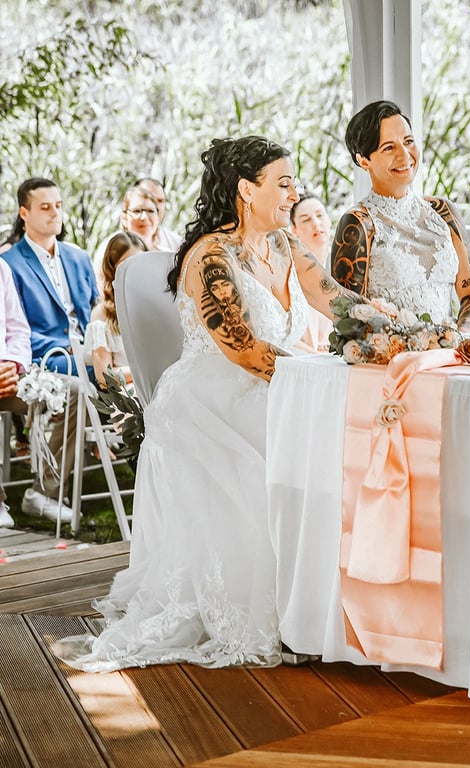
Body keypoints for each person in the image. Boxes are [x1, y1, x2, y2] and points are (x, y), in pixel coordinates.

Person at [55, 134, 362, 672]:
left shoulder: (286, 243)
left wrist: (396, 330)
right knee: (312, 445)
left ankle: (335, 608)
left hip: (283, 381)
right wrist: (320, 382)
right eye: (283, 183)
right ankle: (296, 615)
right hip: (213, 402)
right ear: (247, 189)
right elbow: (243, 350)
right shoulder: (210, 257)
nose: (295, 194)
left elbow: (336, 300)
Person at [331, 100, 470, 333]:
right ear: (364, 160)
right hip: (392, 352)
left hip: (450, 348)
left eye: (408, 141)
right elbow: (347, 318)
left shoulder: (443, 211)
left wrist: (460, 335)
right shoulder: (358, 223)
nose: (405, 155)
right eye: (389, 148)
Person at [1, 178, 99, 523]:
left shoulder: (79, 257)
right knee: (101, 379)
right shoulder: (11, 262)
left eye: (58, 205)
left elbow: (96, 311)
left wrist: (97, 346)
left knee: (103, 377)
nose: (55, 213)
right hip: (48, 359)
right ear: (24, 213)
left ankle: (47, 491)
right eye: (45, 207)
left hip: (84, 354)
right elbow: (25, 331)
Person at [84, 231, 146, 388]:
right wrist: (146, 371)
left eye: (139, 262)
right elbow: (104, 376)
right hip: (127, 390)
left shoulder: (155, 306)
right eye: (125, 264)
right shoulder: (102, 314)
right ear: (112, 270)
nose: (133, 270)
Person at [0, 258, 32, 528]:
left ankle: (46, 494)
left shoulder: (1, 268)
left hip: (8, 373)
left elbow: (18, 329)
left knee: (70, 393)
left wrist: (13, 364)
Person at [91, 184, 162, 288]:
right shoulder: (108, 251)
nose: (144, 217)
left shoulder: (165, 254)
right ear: (124, 217)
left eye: (150, 211)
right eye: (137, 211)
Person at [290, 191, 334, 351]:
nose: (316, 223)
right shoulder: (291, 274)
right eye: (306, 220)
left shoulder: (343, 266)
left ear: (329, 220)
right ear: (294, 231)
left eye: (320, 215)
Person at [133, 177, 182, 252]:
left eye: (160, 201)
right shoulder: (116, 243)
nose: (156, 206)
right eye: (149, 199)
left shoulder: (176, 244)